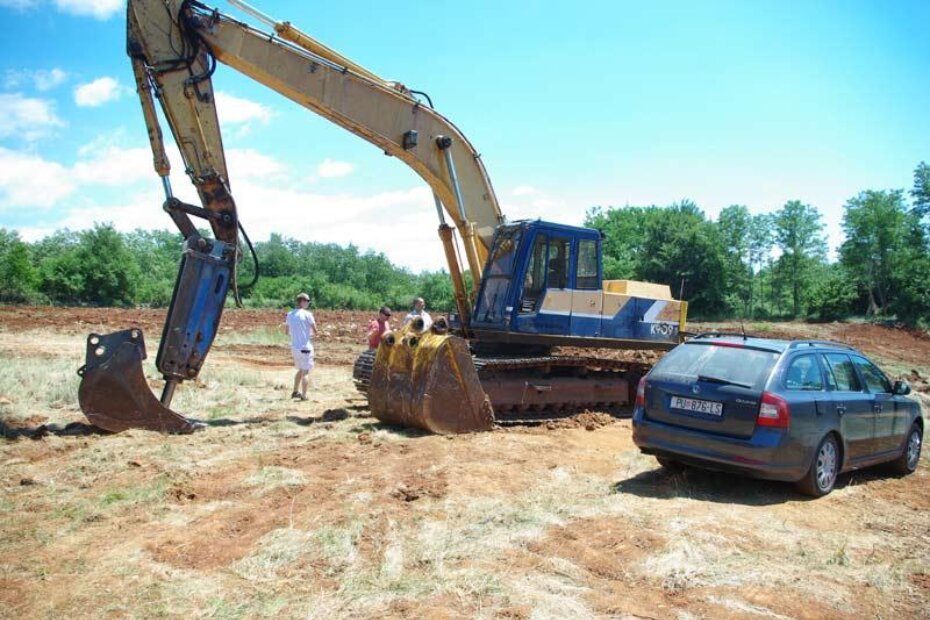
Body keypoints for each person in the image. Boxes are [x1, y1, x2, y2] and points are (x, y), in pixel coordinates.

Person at [285, 292, 317, 401]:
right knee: (306, 372)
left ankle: (295, 391)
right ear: (302, 301)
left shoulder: (290, 314)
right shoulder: (308, 314)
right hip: (305, 347)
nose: (308, 303)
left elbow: (287, 332)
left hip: (295, 347)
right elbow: (315, 330)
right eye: (307, 301)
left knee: (300, 369)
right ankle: (304, 395)